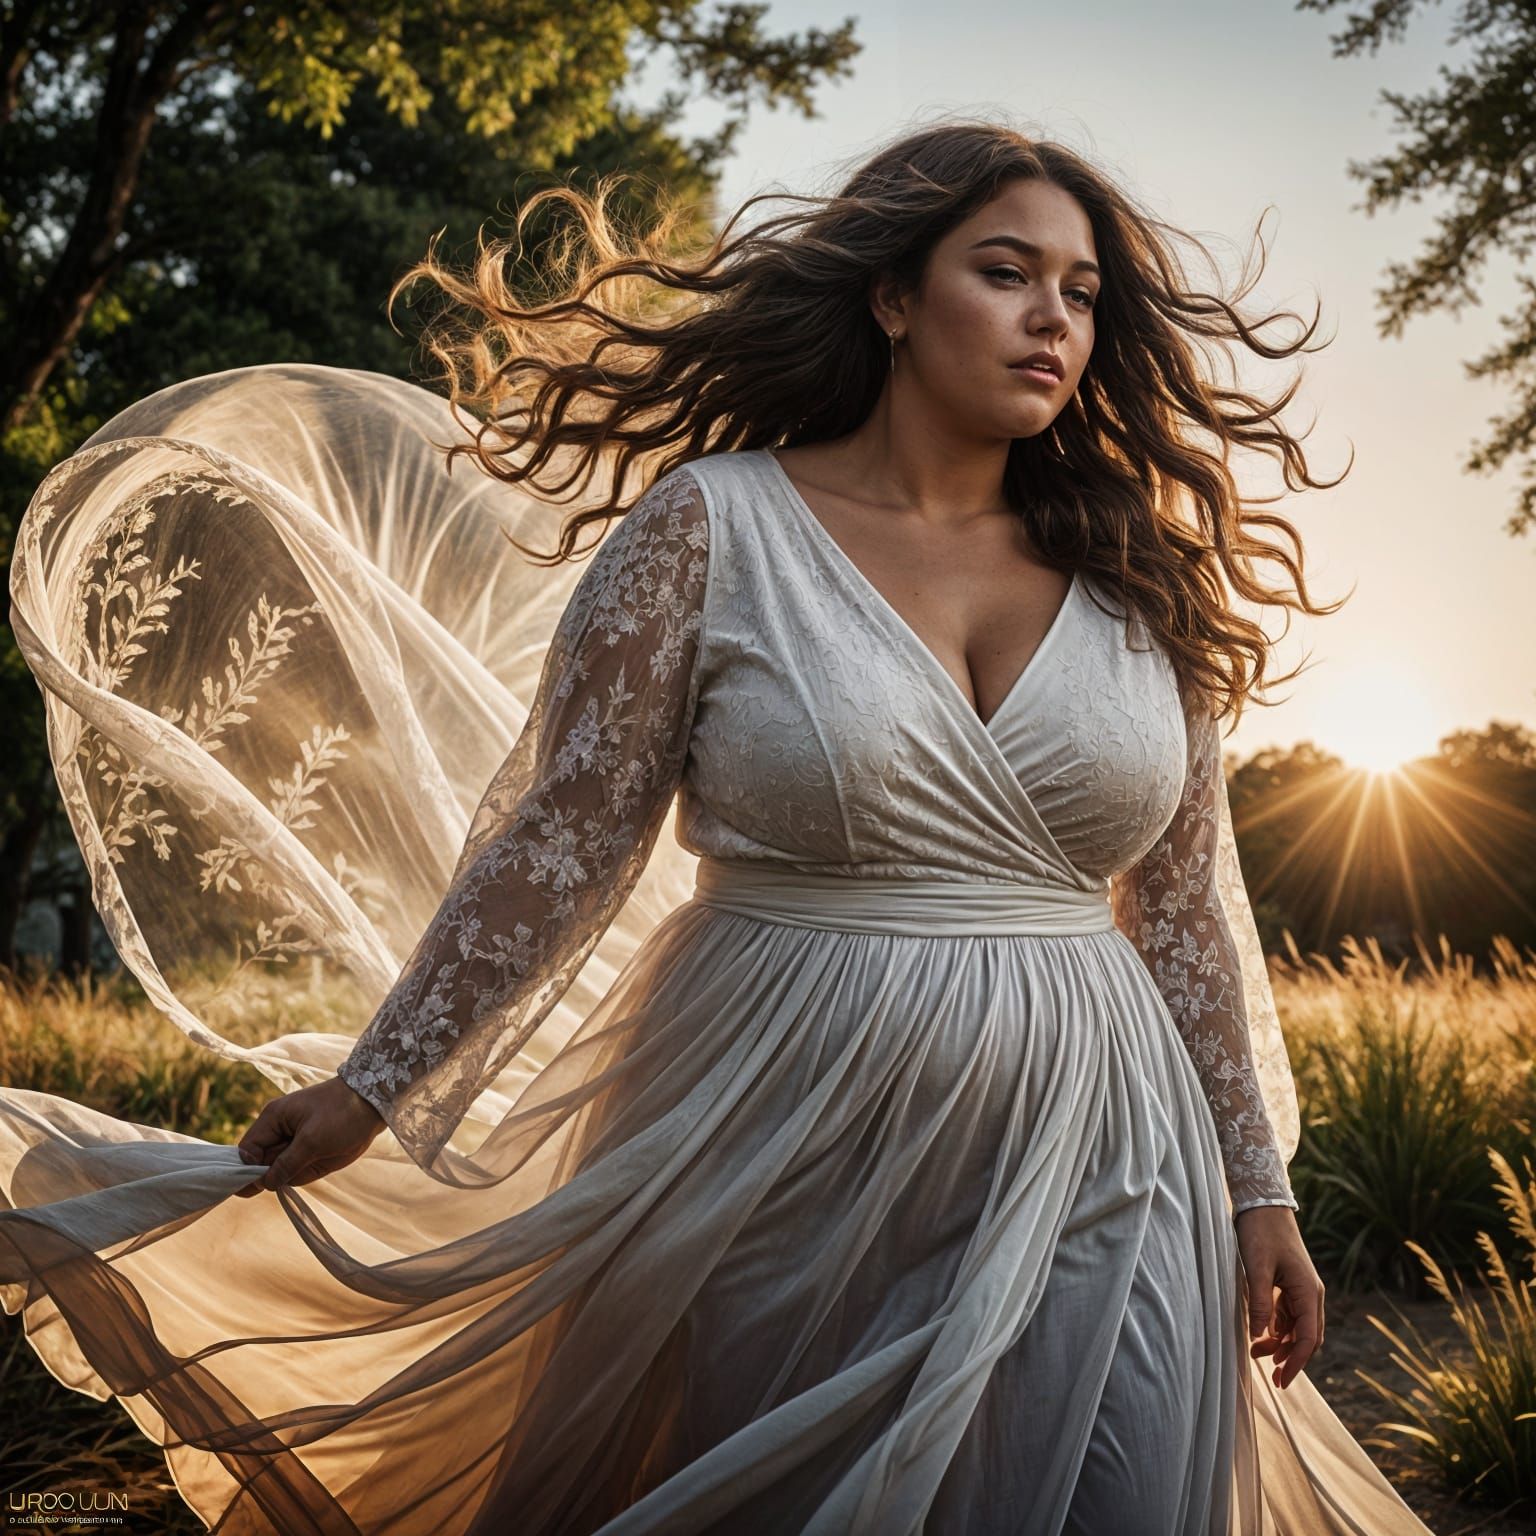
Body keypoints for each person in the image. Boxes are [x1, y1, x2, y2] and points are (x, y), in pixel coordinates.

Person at [0, 119, 1434, 1534]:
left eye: (1081, 291)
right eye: (1007, 273)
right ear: (890, 295)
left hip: (1108, 1136)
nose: (1053, 317)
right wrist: (378, 1085)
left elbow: (1185, 918)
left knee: (1113, 1487)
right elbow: (563, 845)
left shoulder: (1138, 577)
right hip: (779, 1122)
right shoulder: (715, 527)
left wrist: (1263, 1195)